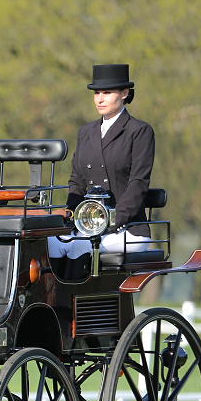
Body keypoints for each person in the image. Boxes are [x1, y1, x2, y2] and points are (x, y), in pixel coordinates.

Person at [48, 64, 155, 279]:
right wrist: (71, 216)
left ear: (124, 93)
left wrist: (111, 219)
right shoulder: (85, 132)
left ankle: (68, 308)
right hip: (88, 225)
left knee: (80, 247)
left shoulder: (139, 131)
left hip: (127, 228)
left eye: (107, 92)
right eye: (97, 93)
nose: (100, 99)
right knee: (50, 242)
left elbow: (138, 184)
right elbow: (76, 181)